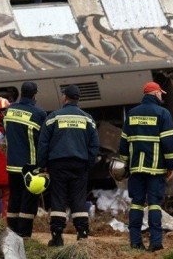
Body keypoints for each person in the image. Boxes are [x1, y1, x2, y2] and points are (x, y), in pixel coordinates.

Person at [37, 84, 99, 246]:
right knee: (78, 199)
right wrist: (88, 163)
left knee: (58, 199)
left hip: (58, 164)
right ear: (78, 98)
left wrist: (42, 164)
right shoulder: (88, 119)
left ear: (65, 97)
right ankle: (82, 234)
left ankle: (57, 236)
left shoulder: (53, 117)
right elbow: (94, 145)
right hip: (80, 164)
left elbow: (43, 143)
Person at [119, 81, 173, 252]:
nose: (162, 96)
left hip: (136, 168)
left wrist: (125, 165)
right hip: (156, 169)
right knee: (154, 204)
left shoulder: (132, 113)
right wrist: (171, 166)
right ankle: (155, 242)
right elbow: (169, 143)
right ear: (155, 93)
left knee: (136, 204)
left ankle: (135, 242)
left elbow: (123, 143)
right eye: (161, 93)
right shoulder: (163, 113)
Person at [3, 81, 47, 238]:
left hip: (12, 165)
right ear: (35, 95)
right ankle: (24, 235)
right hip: (30, 166)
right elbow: (43, 140)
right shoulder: (39, 114)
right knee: (28, 201)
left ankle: (11, 233)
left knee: (14, 198)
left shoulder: (9, 111)